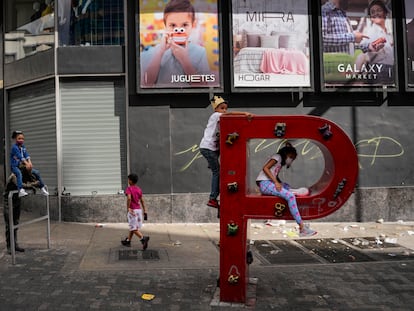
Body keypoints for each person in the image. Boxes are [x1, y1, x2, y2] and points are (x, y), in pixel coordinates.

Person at [140, 0, 211, 87]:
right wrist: (160, 52)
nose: (178, 30)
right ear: (165, 26)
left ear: (193, 25)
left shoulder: (200, 53)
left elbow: (203, 87)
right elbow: (146, 83)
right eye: (173, 25)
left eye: (184, 25)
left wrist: (185, 60)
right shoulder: (155, 52)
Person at [199, 96, 253, 209]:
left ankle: (211, 164)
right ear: (216, 109)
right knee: (217, 172)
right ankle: (212, 199)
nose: (224, 111)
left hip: (211, 148)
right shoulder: (216, 115)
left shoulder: (218, 118)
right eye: (222, 108)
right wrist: (244, 114)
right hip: (208, 148)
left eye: (225, 108)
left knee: (218, 152)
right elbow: (230, 114)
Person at [256, 142, 317, 237]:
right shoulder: (277, 157)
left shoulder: (280, 161)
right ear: (287, 154)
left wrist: (279, 183)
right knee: (290, 197)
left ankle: (292, 190)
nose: (291, 160)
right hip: (265, 183)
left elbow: (274, 174)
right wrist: (276, 182)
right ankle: (302, 228)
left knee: (285, 185)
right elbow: (265, 168)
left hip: (268, 182)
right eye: (291, 157)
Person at [355, 0, 394, 84]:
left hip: (390, 71)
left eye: (379, 10)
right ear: (371, 17)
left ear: (385, 13)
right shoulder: (371, 31)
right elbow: (362, 45)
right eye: (373, 12)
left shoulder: (389, 33)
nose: (376, 14)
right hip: (378, 72)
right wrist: (370, 46)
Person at [10, 130, 49, 197]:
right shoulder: (14, 148)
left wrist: (30, 163)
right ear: (15, 139)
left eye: (22, 139)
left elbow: (26, 155)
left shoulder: (23, 147)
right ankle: (20, 190)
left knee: (36, 172)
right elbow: (20, 157)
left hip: (23, 166)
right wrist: (27, 164)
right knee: (19, 174)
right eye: (19, 138)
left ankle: (42, 188)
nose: (21, 140)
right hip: (15, 166)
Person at [121, 173, 150, 250]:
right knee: (133, 226)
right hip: (138, 210)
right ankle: (128, 241)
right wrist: (145, 211)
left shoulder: (129, 188)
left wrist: (128, 208)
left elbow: (129, 198)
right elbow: (142, 201)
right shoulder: (139, 189)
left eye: (128, 179)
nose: (128, 181)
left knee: (133, 227)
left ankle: (143, 238)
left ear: (130, 181)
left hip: (132, 210)